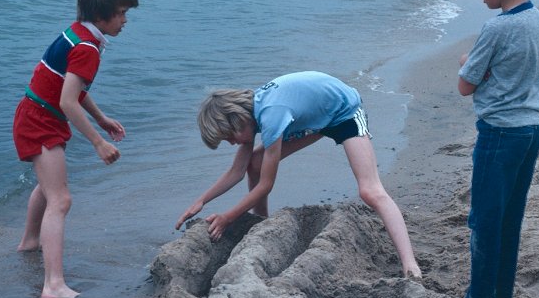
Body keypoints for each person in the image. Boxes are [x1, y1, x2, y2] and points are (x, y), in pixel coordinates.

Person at [175, 71, 422, 279]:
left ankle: (410, 264)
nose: (231, 143)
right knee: (255, 162)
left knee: (370, 191)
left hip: (345, 112)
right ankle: (260, 220)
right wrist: (202, 200)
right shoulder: (252, 113)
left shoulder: (271, 115)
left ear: (237, 119)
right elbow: (237, 171)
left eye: (229, 137)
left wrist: (228, 217)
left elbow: (265, 185)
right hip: (316, 118)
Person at [13, 0, 139, 298]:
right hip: (41, 120)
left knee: (48, 186)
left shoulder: (79, 33)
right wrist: (98, 142)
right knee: (61, 199)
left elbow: (71, 88)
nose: (126, 20)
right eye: (122, 13)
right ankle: (53, 284)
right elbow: (67, 101)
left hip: (37, 113)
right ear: (102, 14)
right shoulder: (88, 48)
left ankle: (29, 242)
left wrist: (101, 118)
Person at [445, 0, 539, 298]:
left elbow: (465, 85)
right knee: (508, 220)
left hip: (498, 134)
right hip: (530, 129)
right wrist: (481, 66)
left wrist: (468, 63)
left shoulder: (496, 28)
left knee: (484, 222)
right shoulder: (536, 18)